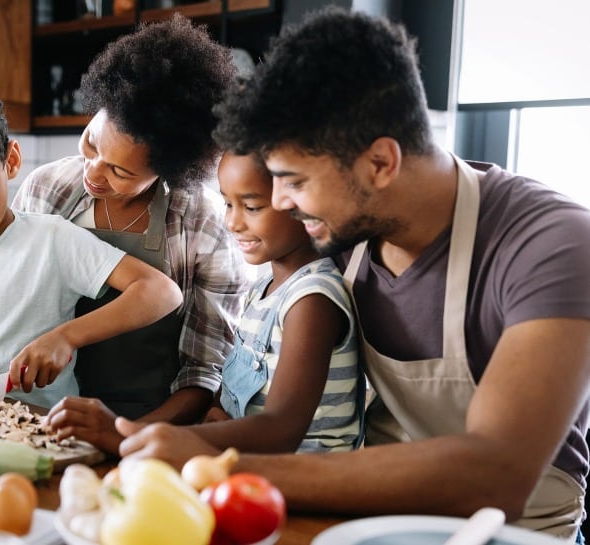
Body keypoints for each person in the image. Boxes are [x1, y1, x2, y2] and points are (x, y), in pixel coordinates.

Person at [117, 6, 590, 541]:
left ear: (381, 164)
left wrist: (221, 465)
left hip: (514, 533)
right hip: (372, 523)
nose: (281, 203)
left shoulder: (555, 243)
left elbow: (495, 475)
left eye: (294, 181)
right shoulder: (344, 234)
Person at [12, 15, 250, 453]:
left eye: (120, 171)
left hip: (149, 428)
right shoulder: (47, 191)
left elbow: (204, 372)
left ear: (170, 169)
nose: (93, 174)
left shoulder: (202, 222)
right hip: (40, 422)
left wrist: (127, 438)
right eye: (90, 144)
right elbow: (5, 310)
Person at [0, 73, 181, 408]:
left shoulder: (52, 239)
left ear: (12, 161)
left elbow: (162, 292)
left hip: (43, 430)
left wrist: (66, 337)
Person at [185, 150, 363, 453]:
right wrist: (218, 411)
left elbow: (281, 429)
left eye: (251, 207)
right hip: (254, 462)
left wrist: (178, 438)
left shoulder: (312, 300)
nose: (231, 222)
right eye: (228, 204)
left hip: (310, 481)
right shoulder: (263, 288)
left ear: (306, 204)